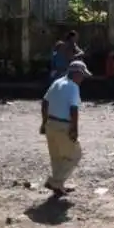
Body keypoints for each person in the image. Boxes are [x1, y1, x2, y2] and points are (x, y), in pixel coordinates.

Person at [40, 60, 91, 197]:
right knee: (75, 155)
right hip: (63, 124)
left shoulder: (57, 82)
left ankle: (58, 186)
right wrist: (75, 129)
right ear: (76, 74)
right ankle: (55, 182)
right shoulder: (73, 86)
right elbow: (73, 109)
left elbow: (44, 102)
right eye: (82, 76)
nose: (82, 79)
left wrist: (44, 122)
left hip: (51, 123)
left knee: (57, 156)